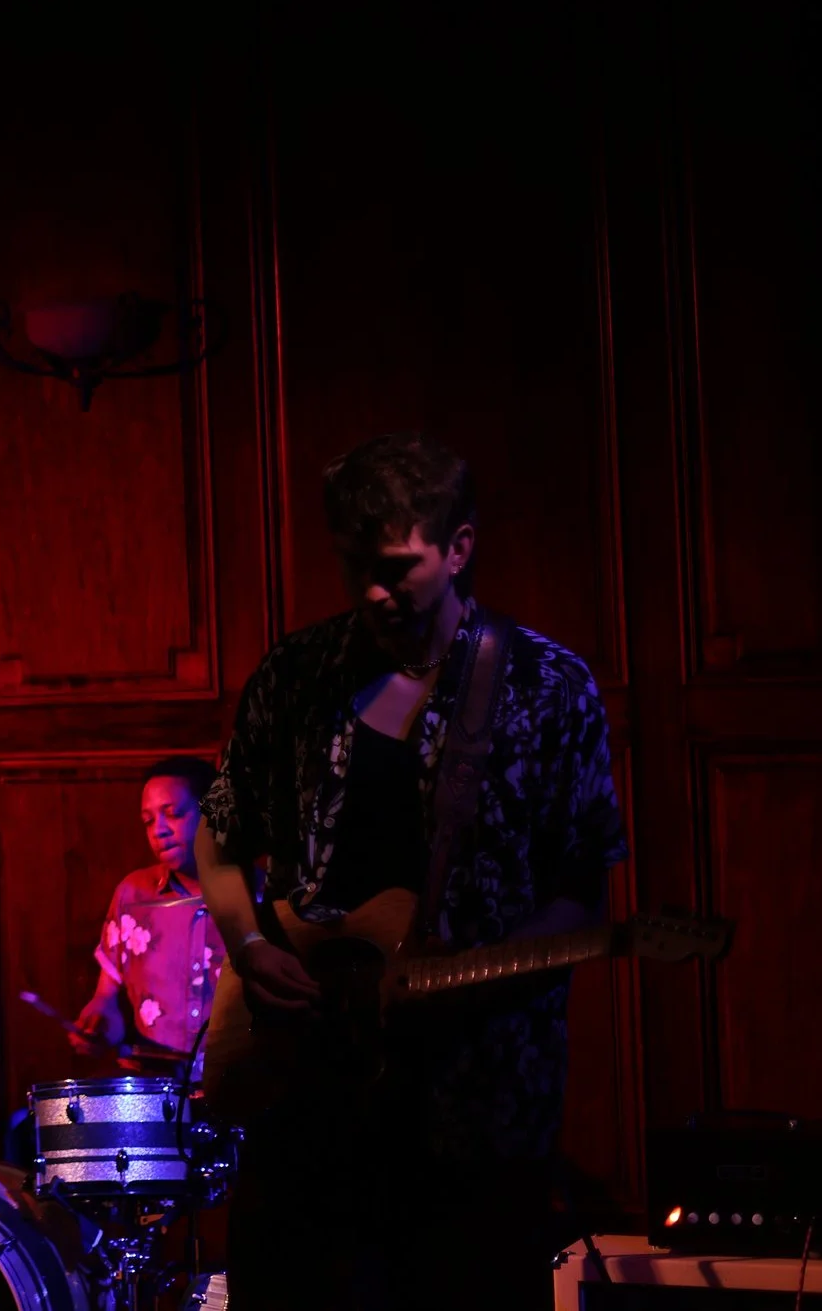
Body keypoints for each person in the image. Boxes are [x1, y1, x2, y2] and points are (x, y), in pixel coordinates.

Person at [196, 434, 626, 1310]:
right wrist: (247, 943)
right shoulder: (297, 672)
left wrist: (464, 978)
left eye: (396, 567)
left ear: (460, 546)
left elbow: (583, 892)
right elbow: (222, 835)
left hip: (475, 1116)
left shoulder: (548, 686)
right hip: (302, 1101)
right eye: (353, 565)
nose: (371, 592)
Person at [65, 756, 223, 1073]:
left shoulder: (262, 896)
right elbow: (106, 999)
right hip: (153, 1089)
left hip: (236, 1088)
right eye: (148, 821)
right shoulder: (133, 894)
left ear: (213, 812)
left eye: (173, 814)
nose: (159, 831)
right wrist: (98, 1024)